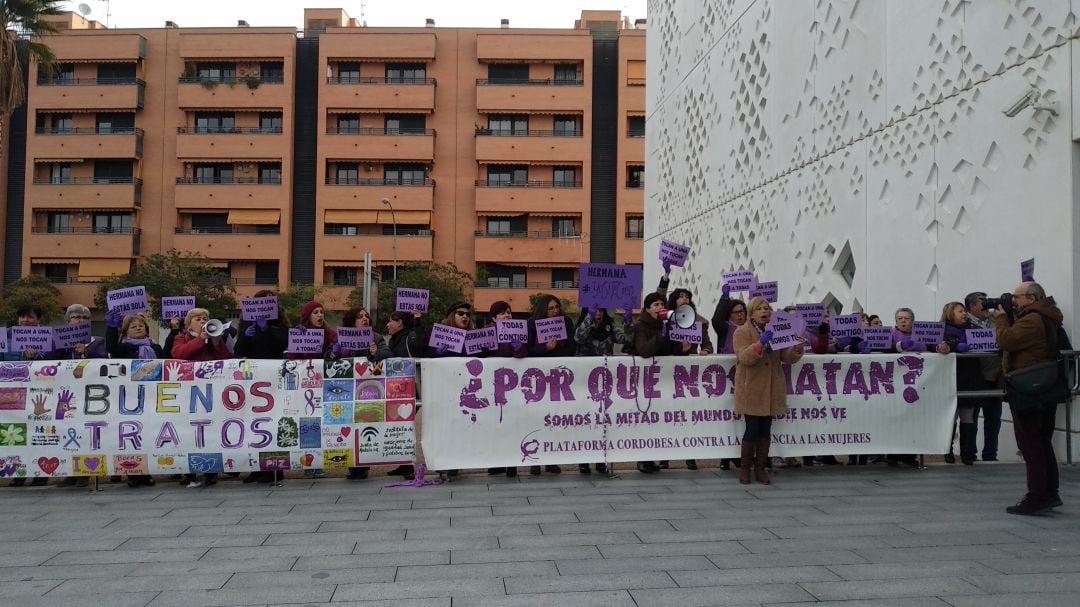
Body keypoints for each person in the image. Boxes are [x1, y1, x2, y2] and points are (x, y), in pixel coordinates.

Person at [994, 282, 1066, 515]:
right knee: (1042, 441)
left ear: (1032, 299)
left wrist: (1002, 319)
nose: (1013, 300)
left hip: (1029, 386)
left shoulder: (1032, 320)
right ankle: (1050, 492)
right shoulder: (1045, 316)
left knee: (1031, 443)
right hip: (1044, 384)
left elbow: (1005, 340)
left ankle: (1036, 496)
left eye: (1017, 296)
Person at [733, 296, 806, 484]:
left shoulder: (778, 331)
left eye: (767, 308)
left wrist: (797, 346)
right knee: (752, 430)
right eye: (760, 309)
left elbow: (787, 358)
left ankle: (760, 468)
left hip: (771, 388)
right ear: (752, 313)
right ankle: (744, 469)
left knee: (766, 430)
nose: (764, 312)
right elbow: (744, 357)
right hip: (751, 388)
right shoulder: (742, 332)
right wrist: (760, 344)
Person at [171, 308, 232, 487]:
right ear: (189, 324)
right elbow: (179, 353)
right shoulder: (181, 338)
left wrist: (215, 342)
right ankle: (189, 472)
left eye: (205, 318)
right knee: (189, 432)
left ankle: (210, 470)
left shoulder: (215, 339)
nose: (203, 321)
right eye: (198, 319)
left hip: (211, 392)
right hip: (189, 392)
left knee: (210, 431)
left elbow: (227, 358)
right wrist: (200, 339)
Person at [234, 290, 289, 484]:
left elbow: (285, 343)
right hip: (254, 383)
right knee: (255, 426)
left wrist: (267, 330)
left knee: (272, 425)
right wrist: (245, 337)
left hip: (275, 382)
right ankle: (257, 467)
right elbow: (238, 352)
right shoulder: (247, 326)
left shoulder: (279, 327)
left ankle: (274, 468)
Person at [105, 310, 164, 487]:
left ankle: (145, 473)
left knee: (147, 435)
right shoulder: (124, 347)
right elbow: (111, 348)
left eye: (141, 326)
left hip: (152, 396)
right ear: (126, 332)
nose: (138, 328)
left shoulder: (155, 348)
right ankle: (131, 472)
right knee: (130, 435)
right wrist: (111, 328)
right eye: (133, 326)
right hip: (129, 397)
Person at [527, 294, 575, 475]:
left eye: (557, 307)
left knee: (554, 419)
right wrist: (545, 349)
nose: (556, 311)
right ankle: (535, 460)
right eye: (551, 308)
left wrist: (556, 350)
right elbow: (529, 350)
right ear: (543, 310)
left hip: (558, 378)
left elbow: (572, 348)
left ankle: (552, 460)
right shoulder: (532, 324)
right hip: (537, 380)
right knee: (536, 419)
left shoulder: (566, 322)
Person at [573, 306, 624, 474]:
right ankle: (584, 460)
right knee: (586, 422)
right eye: (595, 310)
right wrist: (589, 317)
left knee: (604, 422)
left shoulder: (609, 328)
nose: (599, 313)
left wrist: (627, 320)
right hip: (584, 382)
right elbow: (578, 338)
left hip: (605, 382)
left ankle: (601, 459)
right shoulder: (584, 326)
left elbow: (625, 339)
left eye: (601, 310)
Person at [376, 310, 425, 480]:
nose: (388, 324)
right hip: (400, 390)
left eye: (391, 321)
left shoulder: (408, 338)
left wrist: (418, 322)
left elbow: (420, 346)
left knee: (406, 424)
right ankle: (405, 465)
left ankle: (408, 466)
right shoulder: (395, 339)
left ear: (400, 323)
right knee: (403, 425)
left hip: (412, 389)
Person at [293, 301, 337, 479]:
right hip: (304, 386)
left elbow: (336, 355)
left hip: (324, 384)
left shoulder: (330, 334)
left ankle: (320, 462)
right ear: (307, 316)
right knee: (307, 425)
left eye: (322, 311)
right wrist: (298, 342)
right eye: (316, 312)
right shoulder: (297, 333)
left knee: (323, 424)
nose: (320, 315)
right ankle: (309, 464)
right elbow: (292, 358)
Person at [631, 292, 674, 474]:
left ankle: (653, 457)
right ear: (647, 308)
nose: (660, 307)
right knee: (645, 418)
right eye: (656, 304)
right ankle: (643, 459)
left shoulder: (666, 323)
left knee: (658, 419)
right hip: (644, 378)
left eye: (662, 304)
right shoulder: (640, 326)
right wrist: (660, 336)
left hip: (662, 378)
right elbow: (644, 350)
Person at [339, 306, 381, 481]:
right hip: (345, 390)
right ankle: (352, 465)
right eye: (359, 317)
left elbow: (387, 353)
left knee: (365, 424)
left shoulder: (376, 337)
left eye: (366, 316)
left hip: (368, 390)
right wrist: (336, 351)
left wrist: (375, 353)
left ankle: (363, 465)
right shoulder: (342, 338)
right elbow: (330, 357)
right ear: (351, 321)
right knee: (348, 424)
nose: (364, 319)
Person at [487, 301, 528, 477]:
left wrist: (518, 348)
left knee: (511, 424)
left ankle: (511, 464)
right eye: (503, 313)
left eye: (509, 312)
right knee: (494, 425)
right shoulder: (486, 333)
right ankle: (495, 463)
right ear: (494, 318)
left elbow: (523, 354)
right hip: (491, 385)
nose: (507, 316)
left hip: (511, 386)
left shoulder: (517, 331)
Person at [941, 301, 983, 466]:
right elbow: (934, 346)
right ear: (951, 313)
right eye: (960, 311)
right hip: (950, 378)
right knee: (951, 417)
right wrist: (954, 346)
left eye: (964, 311)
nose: (964, 314)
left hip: (970, 378)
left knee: (968, 417)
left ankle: (967, 452)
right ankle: (947, 450)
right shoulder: (942, 331)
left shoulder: (973, 330)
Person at [710, 286, 747, 471]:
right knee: (727, 417)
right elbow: (716, 319)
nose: (739, 315)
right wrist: (724, 299)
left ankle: (739, 455)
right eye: (735, 312)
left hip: (746, 379)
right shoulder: (725, 329)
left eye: (742, 312)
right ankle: (726, 457)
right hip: (726, 380)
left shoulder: (751, 330)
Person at [965, 291, 1002, 461]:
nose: (987, 305)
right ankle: (970, 452)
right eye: (983, 303)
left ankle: (990, 454)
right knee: (971, 418)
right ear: (972, 306)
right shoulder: (963, 322)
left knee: (993, 418)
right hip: (974, 375)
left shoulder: (996, 320)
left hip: (995, 375)